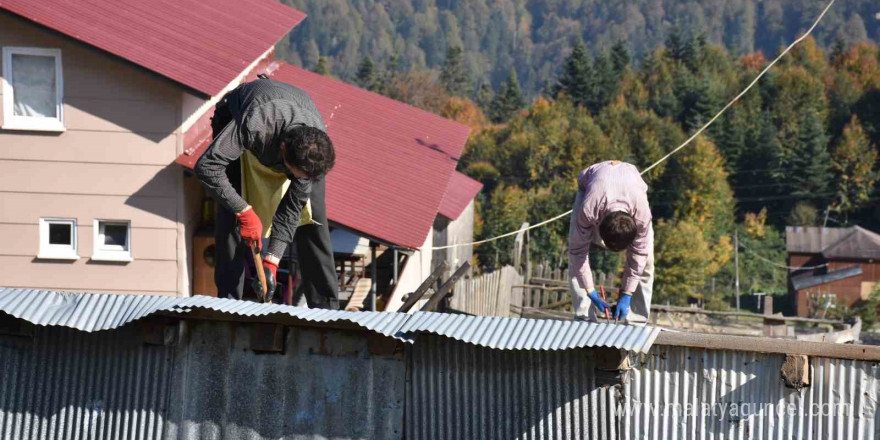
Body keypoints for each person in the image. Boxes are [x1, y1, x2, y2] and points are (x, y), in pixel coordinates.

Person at [195, 76, 339, 309]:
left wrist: (272, 260)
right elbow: (207, 167)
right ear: (283, 153)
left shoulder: (314, 148)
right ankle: (229, 305)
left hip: (292, 115)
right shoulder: (254, 125)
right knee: (231, 217)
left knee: (313, 219)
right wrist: (244, 211)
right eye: (294, 174)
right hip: (238, 115)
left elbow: (292, 209)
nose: (297, 180)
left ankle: (328, 311)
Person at [568, 160, 654, 324]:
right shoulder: (588, 210)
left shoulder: (642, 215)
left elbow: (639, 254)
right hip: (590, 187)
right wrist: (591, 292)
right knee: (575, 252)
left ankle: (637, 320)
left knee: (646, 261)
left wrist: (627, 294)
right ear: (598, 228)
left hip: (630, 188)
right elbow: (578, 252)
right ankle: (583, 316)